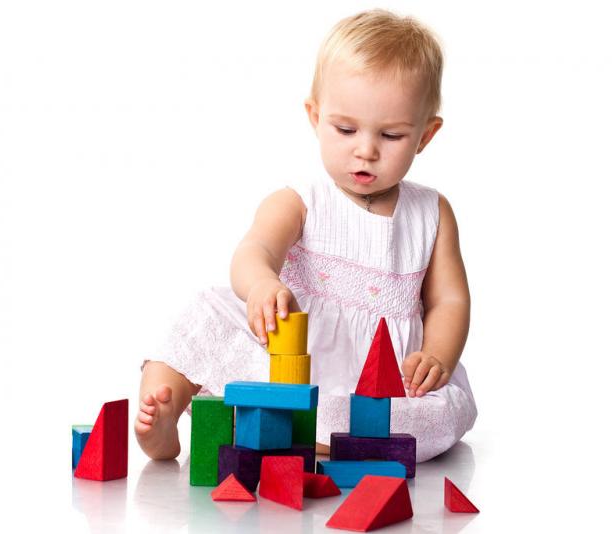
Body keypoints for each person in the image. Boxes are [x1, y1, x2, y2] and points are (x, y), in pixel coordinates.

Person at [135, 9, 477, 463]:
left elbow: (449, 300)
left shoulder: (432, 213)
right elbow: (254, 250)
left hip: (379, 377)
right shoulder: (299, 201)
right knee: (204, 319)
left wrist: (437, 354)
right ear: (315, 117)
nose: (366, 150)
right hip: (291, 354)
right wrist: (262, 284)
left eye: (392, 135)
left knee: (426, 417)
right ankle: (166, 408)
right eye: (346, 129)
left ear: (425, 136)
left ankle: (285, 433)